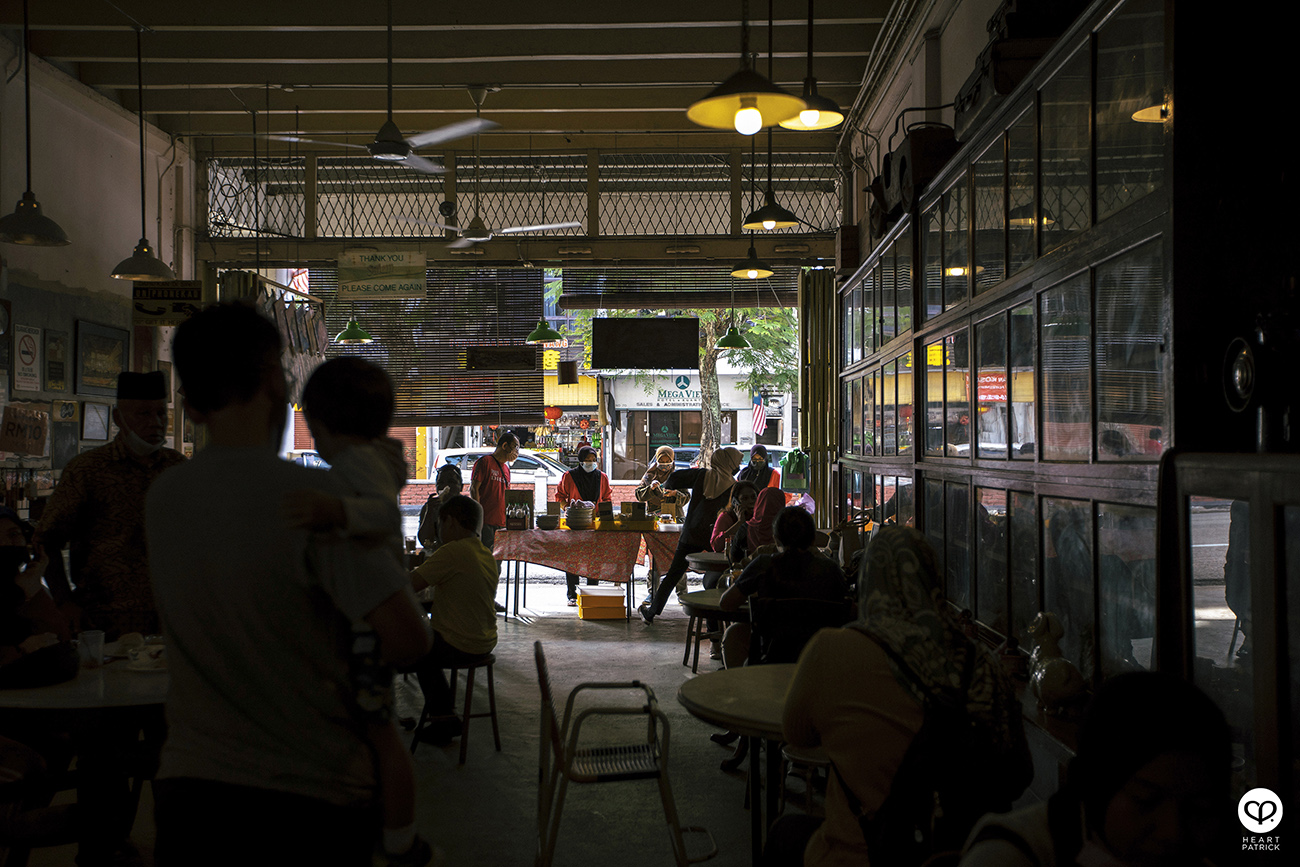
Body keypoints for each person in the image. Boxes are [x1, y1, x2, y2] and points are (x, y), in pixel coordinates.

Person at [146, 302, 431, 866]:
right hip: (306, 795)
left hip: (188, 790)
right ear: (276, 381)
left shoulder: (163, 498)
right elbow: (407, 640)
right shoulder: (313, 503)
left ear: (192, 401)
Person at [764, 526, 1029, 867]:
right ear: (934, 579)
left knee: (785, 832)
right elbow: (1018, 775)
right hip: (958, 854)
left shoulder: (833, 649)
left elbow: (796, 734)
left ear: (869, 581)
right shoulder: (980, 662)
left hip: (863, 851)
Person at [282, 356, 429, 867]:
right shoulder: (371, 458)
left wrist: (335, 511)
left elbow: (386, 514)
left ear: (321, 425)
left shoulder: (353, 466)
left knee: (379, 732)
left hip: (369, 625)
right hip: (372, 616)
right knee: (377, 731)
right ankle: (397, 835)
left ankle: (400, 841)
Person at [960, 672, 1232, 867]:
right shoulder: (1010, 855)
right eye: (1146, 800)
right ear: (1095, 788)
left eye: (1201, 808)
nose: (1174, 831)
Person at [35, 371, 185, 639]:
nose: (156, 423)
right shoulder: (88, 471)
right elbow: (46, 540)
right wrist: (63, 601)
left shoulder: (177, 469)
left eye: (161, 414)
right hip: (105, 619)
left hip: (172, 617)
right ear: (118, 418)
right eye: (143, 414)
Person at [408, 496, 499, 745]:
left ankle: (442, 718)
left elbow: (410, 585)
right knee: (425, 640)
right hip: (485, 640)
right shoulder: (485, 553)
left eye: (440, 522)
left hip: (461, 644)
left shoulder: (453, 551)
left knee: (415, 648)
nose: (439, 530)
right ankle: (443, 715)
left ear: (451, 522)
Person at [719, 505, 851, 668]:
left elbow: (726, 603)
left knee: (733, 634)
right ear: (812, 539)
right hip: (821, 658)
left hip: (772, 657)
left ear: (775, 538)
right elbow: (847, 609)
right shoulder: (830, 569)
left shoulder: (763, 565)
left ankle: (745, 690)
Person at [638, 447, 742, 623]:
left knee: (673, 574)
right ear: (729, 463)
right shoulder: (734, 486)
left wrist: (667, 488)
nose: (738, 465)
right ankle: (718, 615)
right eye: (736, 462)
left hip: (691, 532)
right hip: (714, 536)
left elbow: (674, 478)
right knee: (718, 574)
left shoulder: (701, 475)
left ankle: (652, 612)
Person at [556, 445, 613, 606]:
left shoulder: (602, 477)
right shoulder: (569, 476)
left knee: (593, 559)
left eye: (593, 460)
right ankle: (572, 594)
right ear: (580, 461)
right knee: (573, 559)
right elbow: (560, 495)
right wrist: (567, 508)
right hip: (575, 523)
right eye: (587, 460)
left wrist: (603, 511)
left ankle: (591, 592)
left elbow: (607, 498)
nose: (591, 463)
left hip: (594, 525)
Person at [635, 445, 683, 602]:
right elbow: (639, 495)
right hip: (655, 523)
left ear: (672, 460)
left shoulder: (678, 476)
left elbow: (686, 498)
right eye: (661, 461)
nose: (664, 464)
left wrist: (676, 494)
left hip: (674, 522)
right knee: (654, 557)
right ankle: (653, 592)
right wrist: (651, 488)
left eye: (667, 461)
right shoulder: (649, 476)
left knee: (677, 556)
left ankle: (682, 592)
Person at [469, 431, 517, 554]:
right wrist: (478, 517)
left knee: (497, 560)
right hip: (486, 522)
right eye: (514, 447)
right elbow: (474, 489)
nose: (516, 452)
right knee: (486, 558)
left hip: (501, 522)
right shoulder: (485, 462)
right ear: (505, 446)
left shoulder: (506, 469)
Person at [417, 464, 464, 552]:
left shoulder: (469, 507)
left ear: (461, 487)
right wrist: (429, 512)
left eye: (451, 482)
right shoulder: (431, 507)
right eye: (440, 483)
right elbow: (424, 540)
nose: (446, 486)